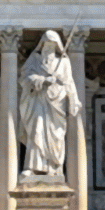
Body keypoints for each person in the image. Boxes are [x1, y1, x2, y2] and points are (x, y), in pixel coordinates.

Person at [18, 30, 81, 176]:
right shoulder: (34, 59)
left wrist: (74, 100)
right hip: (38, 100)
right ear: (41, 45)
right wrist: (42, 80)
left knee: (56, 135)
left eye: (52, 46)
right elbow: (24, 77)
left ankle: (54, 167)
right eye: (46, 45)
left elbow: (69, 82)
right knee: (37, 131)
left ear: (57, 46)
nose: (49, 48)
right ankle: (32, 166)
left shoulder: (63, 62)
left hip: (57, 102)